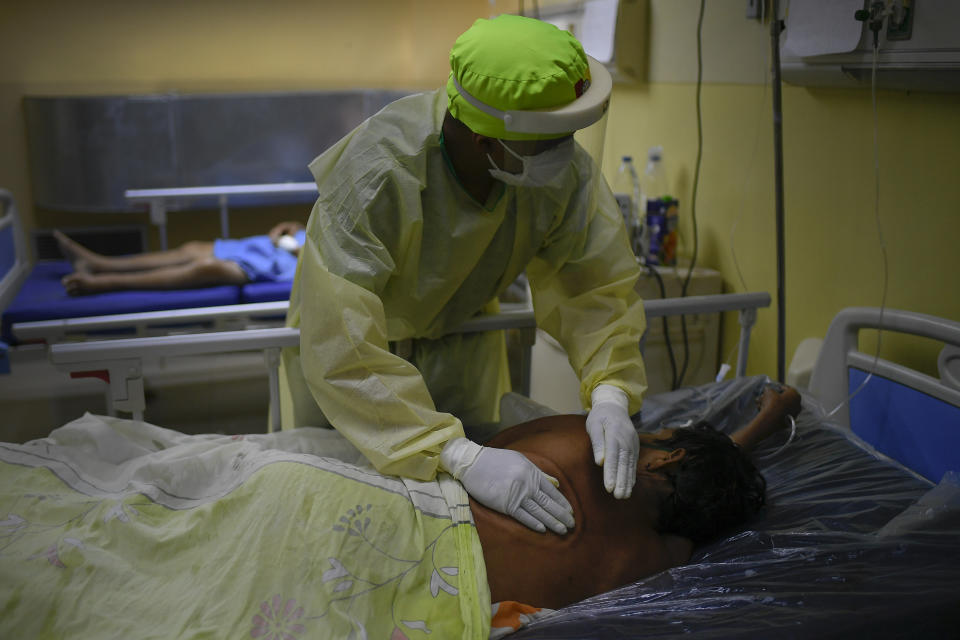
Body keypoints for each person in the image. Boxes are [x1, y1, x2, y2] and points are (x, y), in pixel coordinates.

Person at [279, 15, 648, 538]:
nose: (566, 154)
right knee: (343, 524)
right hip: (354, 370)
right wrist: (454, 453)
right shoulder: (378, 174)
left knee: (464, 532)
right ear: (483, 140)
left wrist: (610, 392)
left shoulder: (556, 173)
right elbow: (341, 340)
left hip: (463, 344)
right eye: (550, 141)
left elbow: (593, 284)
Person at [473, 383, 802, 609]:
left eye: (659, 434)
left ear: (667, 458)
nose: (652, 432)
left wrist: (766, 420)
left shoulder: (574, 442)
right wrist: (767, 423)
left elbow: (496, 444)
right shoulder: (651, 559)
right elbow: (707, 487)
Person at [53, 222, 305, 295]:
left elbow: (330, 264)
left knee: (205, 268)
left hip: (285, 269)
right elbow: (299, 225)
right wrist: (286, 229)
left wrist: (294, 249)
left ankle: (107, 282)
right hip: (269, 247)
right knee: (191, 249)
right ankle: (99, 264)